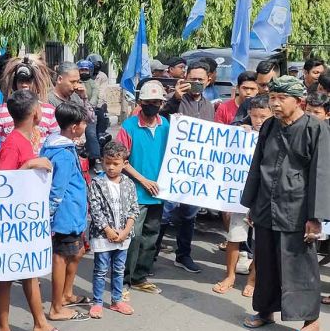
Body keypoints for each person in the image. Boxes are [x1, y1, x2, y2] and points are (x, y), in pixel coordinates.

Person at [241, 76, 330, 331]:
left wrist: (316, 217)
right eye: (272, 98)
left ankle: (311, 321)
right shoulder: (269, 126)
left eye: (281, 99)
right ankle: (266, 310)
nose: (275, 104)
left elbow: (322, 173)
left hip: (298, 209)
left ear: (299, 101)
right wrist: (251, 204)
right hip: (266, 205)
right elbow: (258, 165)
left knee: (299, 266)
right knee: (266, 260)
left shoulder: (316, 128)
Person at [0, 89, 70, 331]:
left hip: (27, 222)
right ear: (35, 113)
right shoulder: (13, 143)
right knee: (4, 275)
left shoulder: (28, 139)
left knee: (30, 271)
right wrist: (28, 167)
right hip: (9, 222)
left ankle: (40, 323)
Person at [212, 95, 273, 298]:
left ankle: (252, 280)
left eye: (263, 116)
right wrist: (240, 131)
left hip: (264, 200)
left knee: (260, 242)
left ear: (271, 114)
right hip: (240, 197)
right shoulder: (242, 133)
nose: (258, 120)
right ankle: (229, 276)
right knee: (234, 236)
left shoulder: (276, 136)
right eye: (254, 116)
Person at [160, 61, 215, 274]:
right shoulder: (175, 101)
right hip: (174, 168)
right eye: (193, 79)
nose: (197, 83)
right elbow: (161, 116)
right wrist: (174, 98)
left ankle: (183, 255)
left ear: (208, 80)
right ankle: (151, 254)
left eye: (200, 80)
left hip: (196, 171)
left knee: (189, 215)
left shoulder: (209, 106)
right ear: (185, 80)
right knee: (165, 212)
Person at [116, 80, 169, 296]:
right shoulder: (129, 126)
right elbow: (121, 160)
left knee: (150, 237)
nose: (153, 105)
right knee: (133, 236)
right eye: (149, 102)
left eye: (157, 102)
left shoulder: (166, 125)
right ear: (140, 102)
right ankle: (123, 280)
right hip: (136, 192)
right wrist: (144, 180)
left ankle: (140, 277)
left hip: (159, 192)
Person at [40, 102, 89, 322]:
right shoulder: (63, 154)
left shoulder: (58, 146)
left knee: (77, 252)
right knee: (60, 257)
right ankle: (56, 307)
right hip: (65, 216)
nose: (85, 127)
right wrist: (50, 216)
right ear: (74, 127)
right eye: (83, 124)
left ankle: (66, 294)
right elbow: (57, 190)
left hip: (74, 214)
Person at [88, 141, 139, 319]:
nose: (110, 167)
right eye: (107, 162)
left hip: (124, 236)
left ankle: (117, 300)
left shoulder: (129, 184)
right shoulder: (97, 182)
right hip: (103, 236)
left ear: (124, 164)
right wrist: (108, 230)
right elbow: (95, 209)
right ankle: (97, 302)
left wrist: (125, 231)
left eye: (115, 164)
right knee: (101, 269)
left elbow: (134, 209)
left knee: (119, 269)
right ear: (102, 160)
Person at [0, 55, 59, 153]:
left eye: (28, 81)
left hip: (40, 165)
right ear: (14, 83)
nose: (24, 85)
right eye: (20, 81)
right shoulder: (2, 110)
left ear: (37, 83)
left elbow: (56, 141)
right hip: (12, 166)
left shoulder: (49, 111)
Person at [48, 61, 98, 160]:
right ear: (59, 79)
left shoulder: (76, 97)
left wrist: (84, 97)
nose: (75, 86)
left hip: (77, 152)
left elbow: (90, 119)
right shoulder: (48, 100)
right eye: (72, 82)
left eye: (78, 81)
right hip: (58, 153)